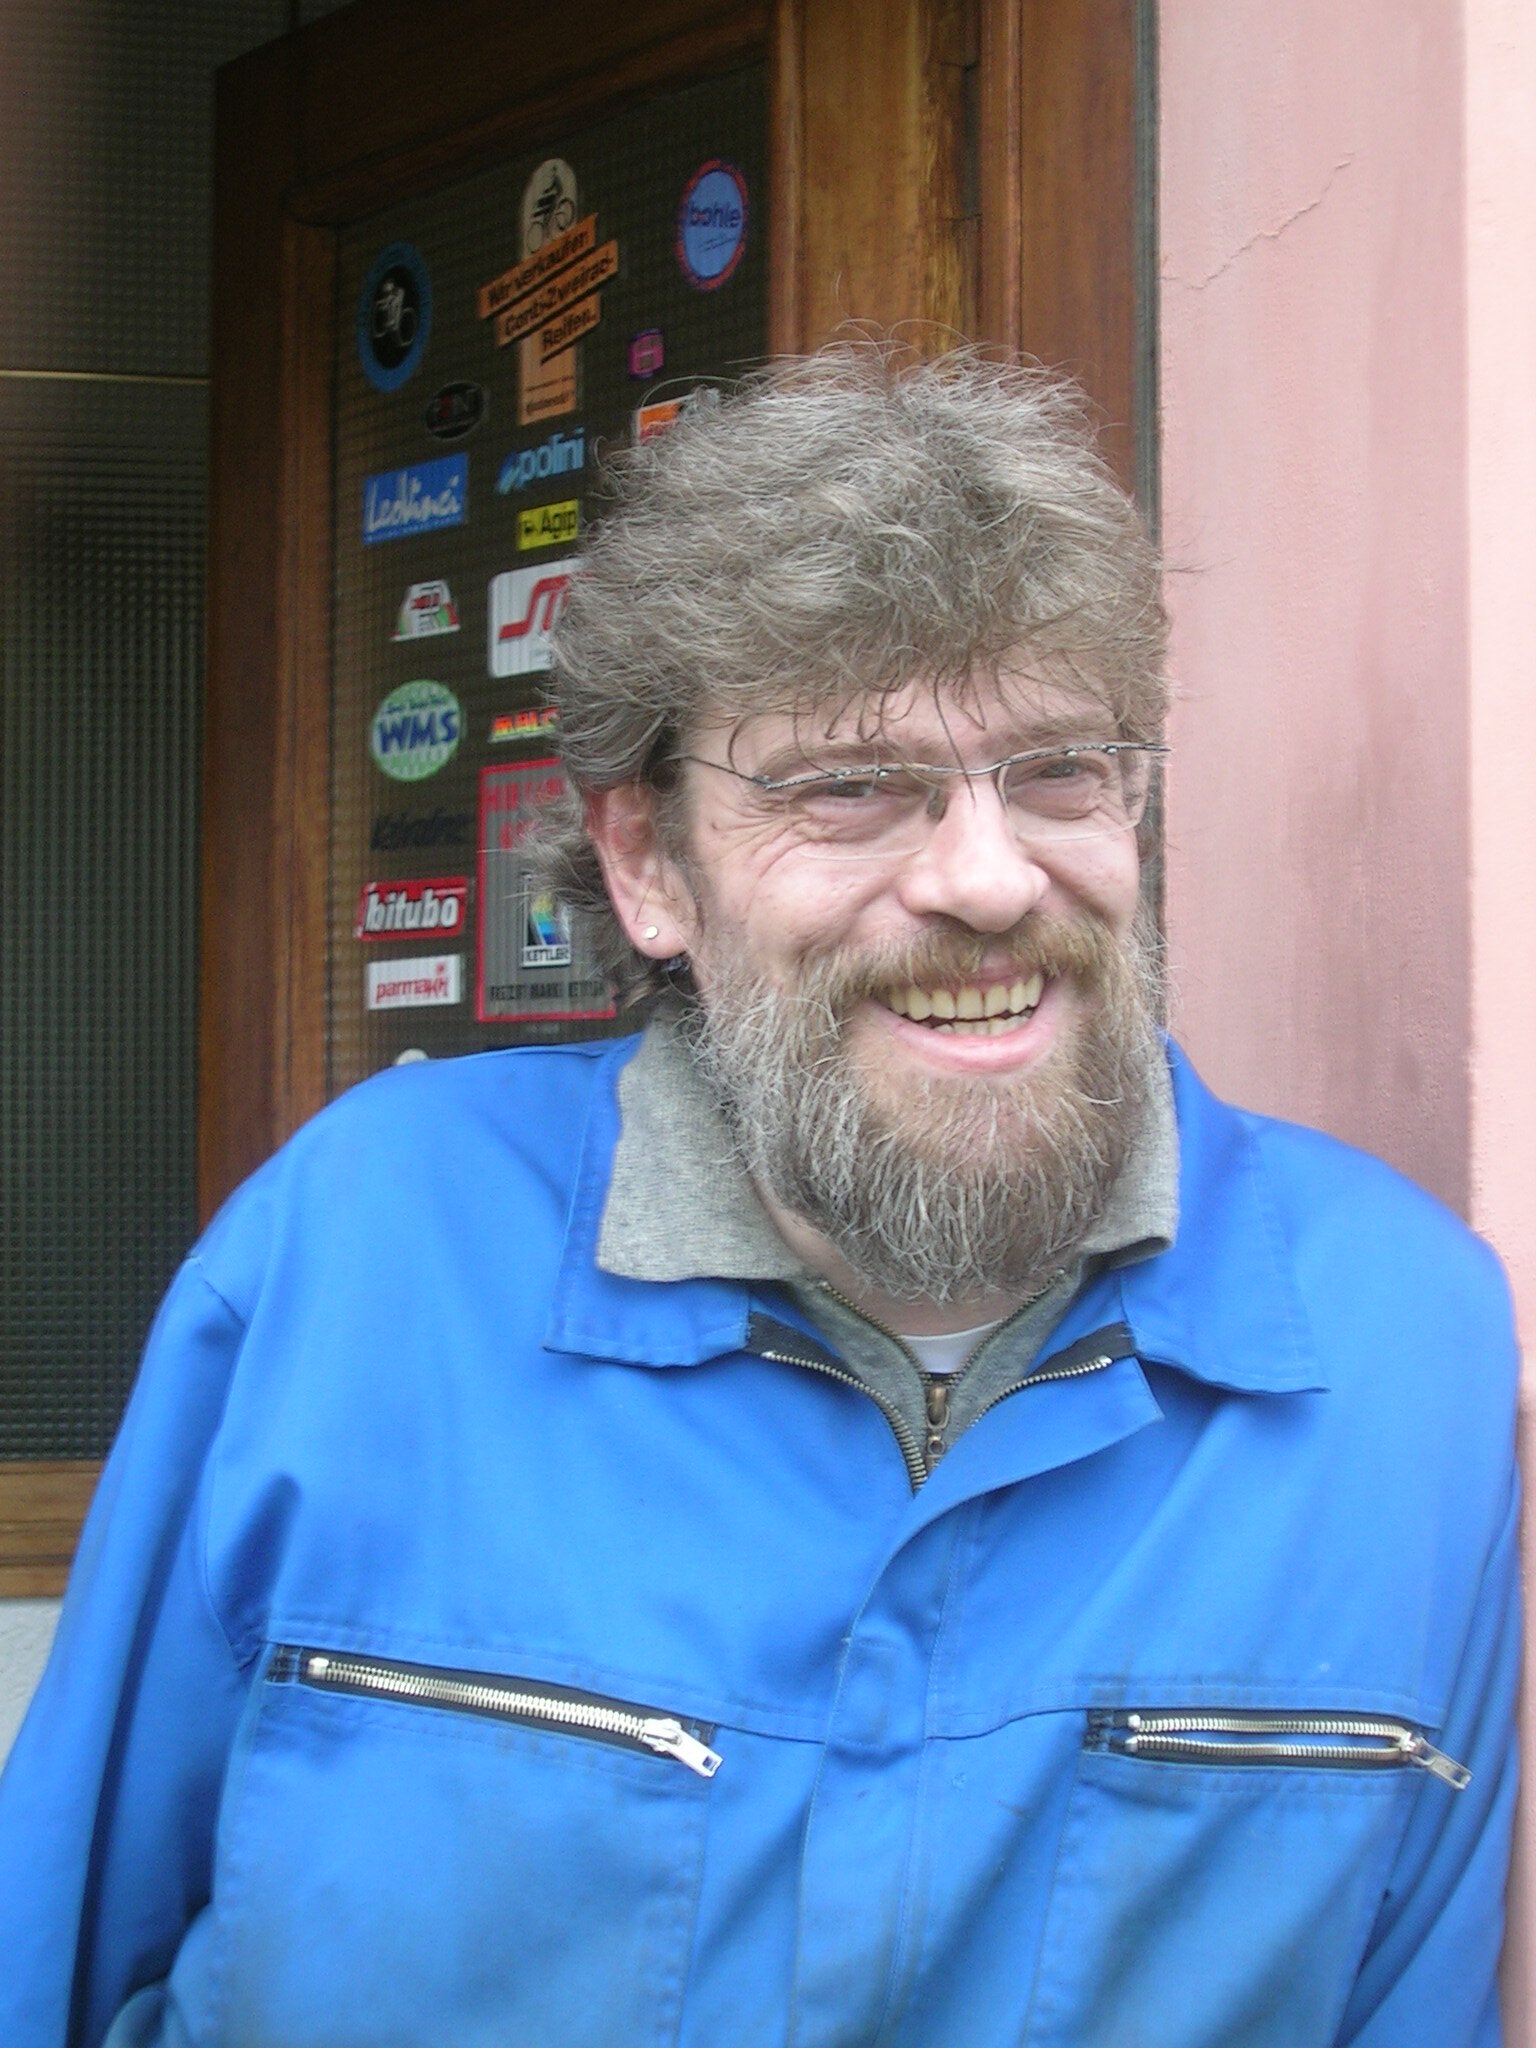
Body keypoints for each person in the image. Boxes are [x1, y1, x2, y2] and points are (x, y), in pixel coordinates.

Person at [0, 348, 1518, 2048]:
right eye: (848, 788)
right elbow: (50, 1950)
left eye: (1058, 772)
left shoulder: (1401, 1349)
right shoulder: (359, 1257)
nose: (986, 874)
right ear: (651, 865)